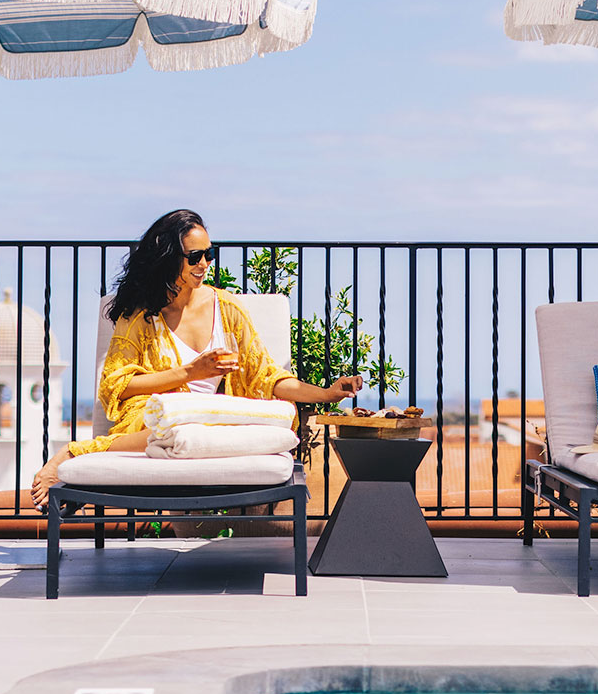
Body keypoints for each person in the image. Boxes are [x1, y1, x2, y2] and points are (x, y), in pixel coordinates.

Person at [29, 209, 361, 509]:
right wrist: (191, 372)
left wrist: (328, 394)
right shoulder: (142, 315)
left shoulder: (226, 309)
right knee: (177, 422)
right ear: (170, 258)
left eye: (209, 254)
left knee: (239, 419)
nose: (204, 264)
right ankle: (75, 453)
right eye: (194, 257)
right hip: (154, 416)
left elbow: (267, 376)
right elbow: (118, 386)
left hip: (213, 422)